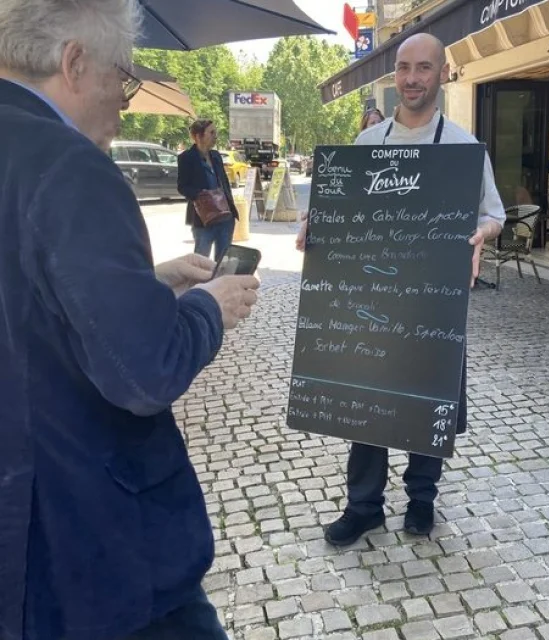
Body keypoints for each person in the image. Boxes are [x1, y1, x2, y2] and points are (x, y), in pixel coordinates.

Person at [0, 1, 259, 639]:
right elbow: (142, 372)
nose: (126, 98)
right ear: (74, 62)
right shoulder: (69, 165)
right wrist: (209, 307)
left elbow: (32, 304)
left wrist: (150, 282)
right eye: (125, 76)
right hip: (91, 539)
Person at [296, 33, 505, 546]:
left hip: (433, 302)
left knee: (424, 399)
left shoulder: (462, 149)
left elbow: (494, 214)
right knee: (367, 405)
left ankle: (421, 502)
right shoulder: (369, 145)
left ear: (442, 73)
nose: (412, 78)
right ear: (394, 75)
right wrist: (314, 223)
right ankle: (363, 506)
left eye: (423, 68)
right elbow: (341, 213)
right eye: (404, 68)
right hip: (373, 303)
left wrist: (482, 233)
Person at [179, 120, 238, 260]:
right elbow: (182, 187)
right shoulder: (186, 158)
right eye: (211, 133)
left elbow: (224, 182)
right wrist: (201, 195)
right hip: (204, 219)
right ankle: (201, 283)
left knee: (223, 261)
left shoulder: (216, 156)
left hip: (225, 217)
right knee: (201, 261)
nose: (215, 136)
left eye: (215, 132)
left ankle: (220, 282)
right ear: (198, 136)